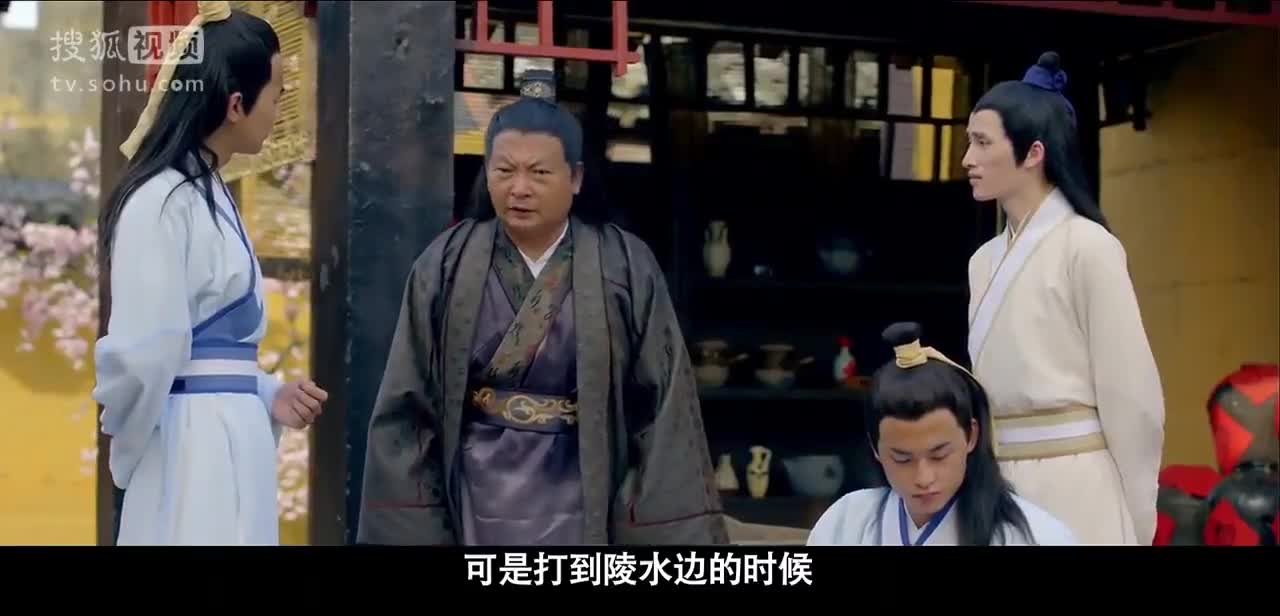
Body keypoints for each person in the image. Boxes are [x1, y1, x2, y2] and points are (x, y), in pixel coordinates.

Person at [356, 70, 727, 546]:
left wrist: (645, 523)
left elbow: (662, 408)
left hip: (584, 491)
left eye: (540, 173)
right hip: (471, 497)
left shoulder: (625, 265)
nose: (520, 188)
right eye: (504, 171)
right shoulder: (446, 263)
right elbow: (408, 406)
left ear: (576, 178)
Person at [93, 0, 328, 545]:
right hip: (191, 443)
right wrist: (128, 447)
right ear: (237, 105)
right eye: (277, 93)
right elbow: (144, 352)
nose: (281, 105)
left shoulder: (204, 191)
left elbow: (199, 349)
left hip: (223, 430)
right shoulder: (160, 200)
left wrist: (265, 391)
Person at [961, 51, 1164, 544]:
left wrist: (1136, 508)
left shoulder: (1089, 246)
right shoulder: (983, 261)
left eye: (982, 142)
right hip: (998, 481)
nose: (967, 158)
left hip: (1077, 481)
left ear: (1033, 153)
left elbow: (1132, 397)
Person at [807, 322, 1077, 546]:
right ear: (875, 447)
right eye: (902, 459)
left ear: (971, 436)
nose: (923, 478)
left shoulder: (1036, 536)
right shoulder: (846, 523)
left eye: (939, 455)